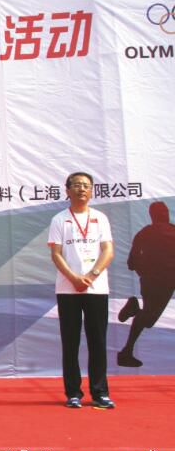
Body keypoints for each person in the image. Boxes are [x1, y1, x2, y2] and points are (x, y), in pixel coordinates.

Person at [48, 172, 115, 409]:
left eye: (86, 185)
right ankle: (73, 393)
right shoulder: (59, 220)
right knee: (70, 342)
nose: (82, 189)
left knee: (98, 341)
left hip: (96, 288)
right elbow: (56, 254)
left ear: (92, 190)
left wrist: (92, 275)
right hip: (68, 289)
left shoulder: (100, 218)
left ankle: (100, 392)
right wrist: (74, 278)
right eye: (76, 185)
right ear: (67, 190)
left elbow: (108, 250)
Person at [117, 201, 175, 367]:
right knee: (148, 319)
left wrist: (145, 271)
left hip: (149, 281)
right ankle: (126, 352)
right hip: (166, 282)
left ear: (152, 216)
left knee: (147, 319)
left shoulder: (143, 234)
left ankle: (126, 351)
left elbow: (131, 263)